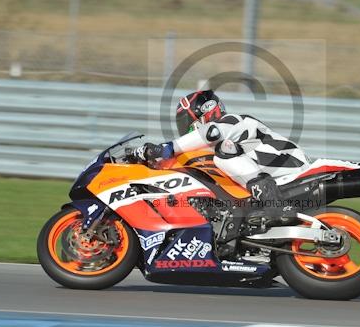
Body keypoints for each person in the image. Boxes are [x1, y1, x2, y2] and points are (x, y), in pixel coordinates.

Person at [128, 90, 310, 227]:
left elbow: (211, 133)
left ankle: (275, 206)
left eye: (186, 121)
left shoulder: (232, 121)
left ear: (204, 112)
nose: (185, 128)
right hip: (273, 173)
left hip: (291, 166)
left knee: (225, 152)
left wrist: (166, 148)